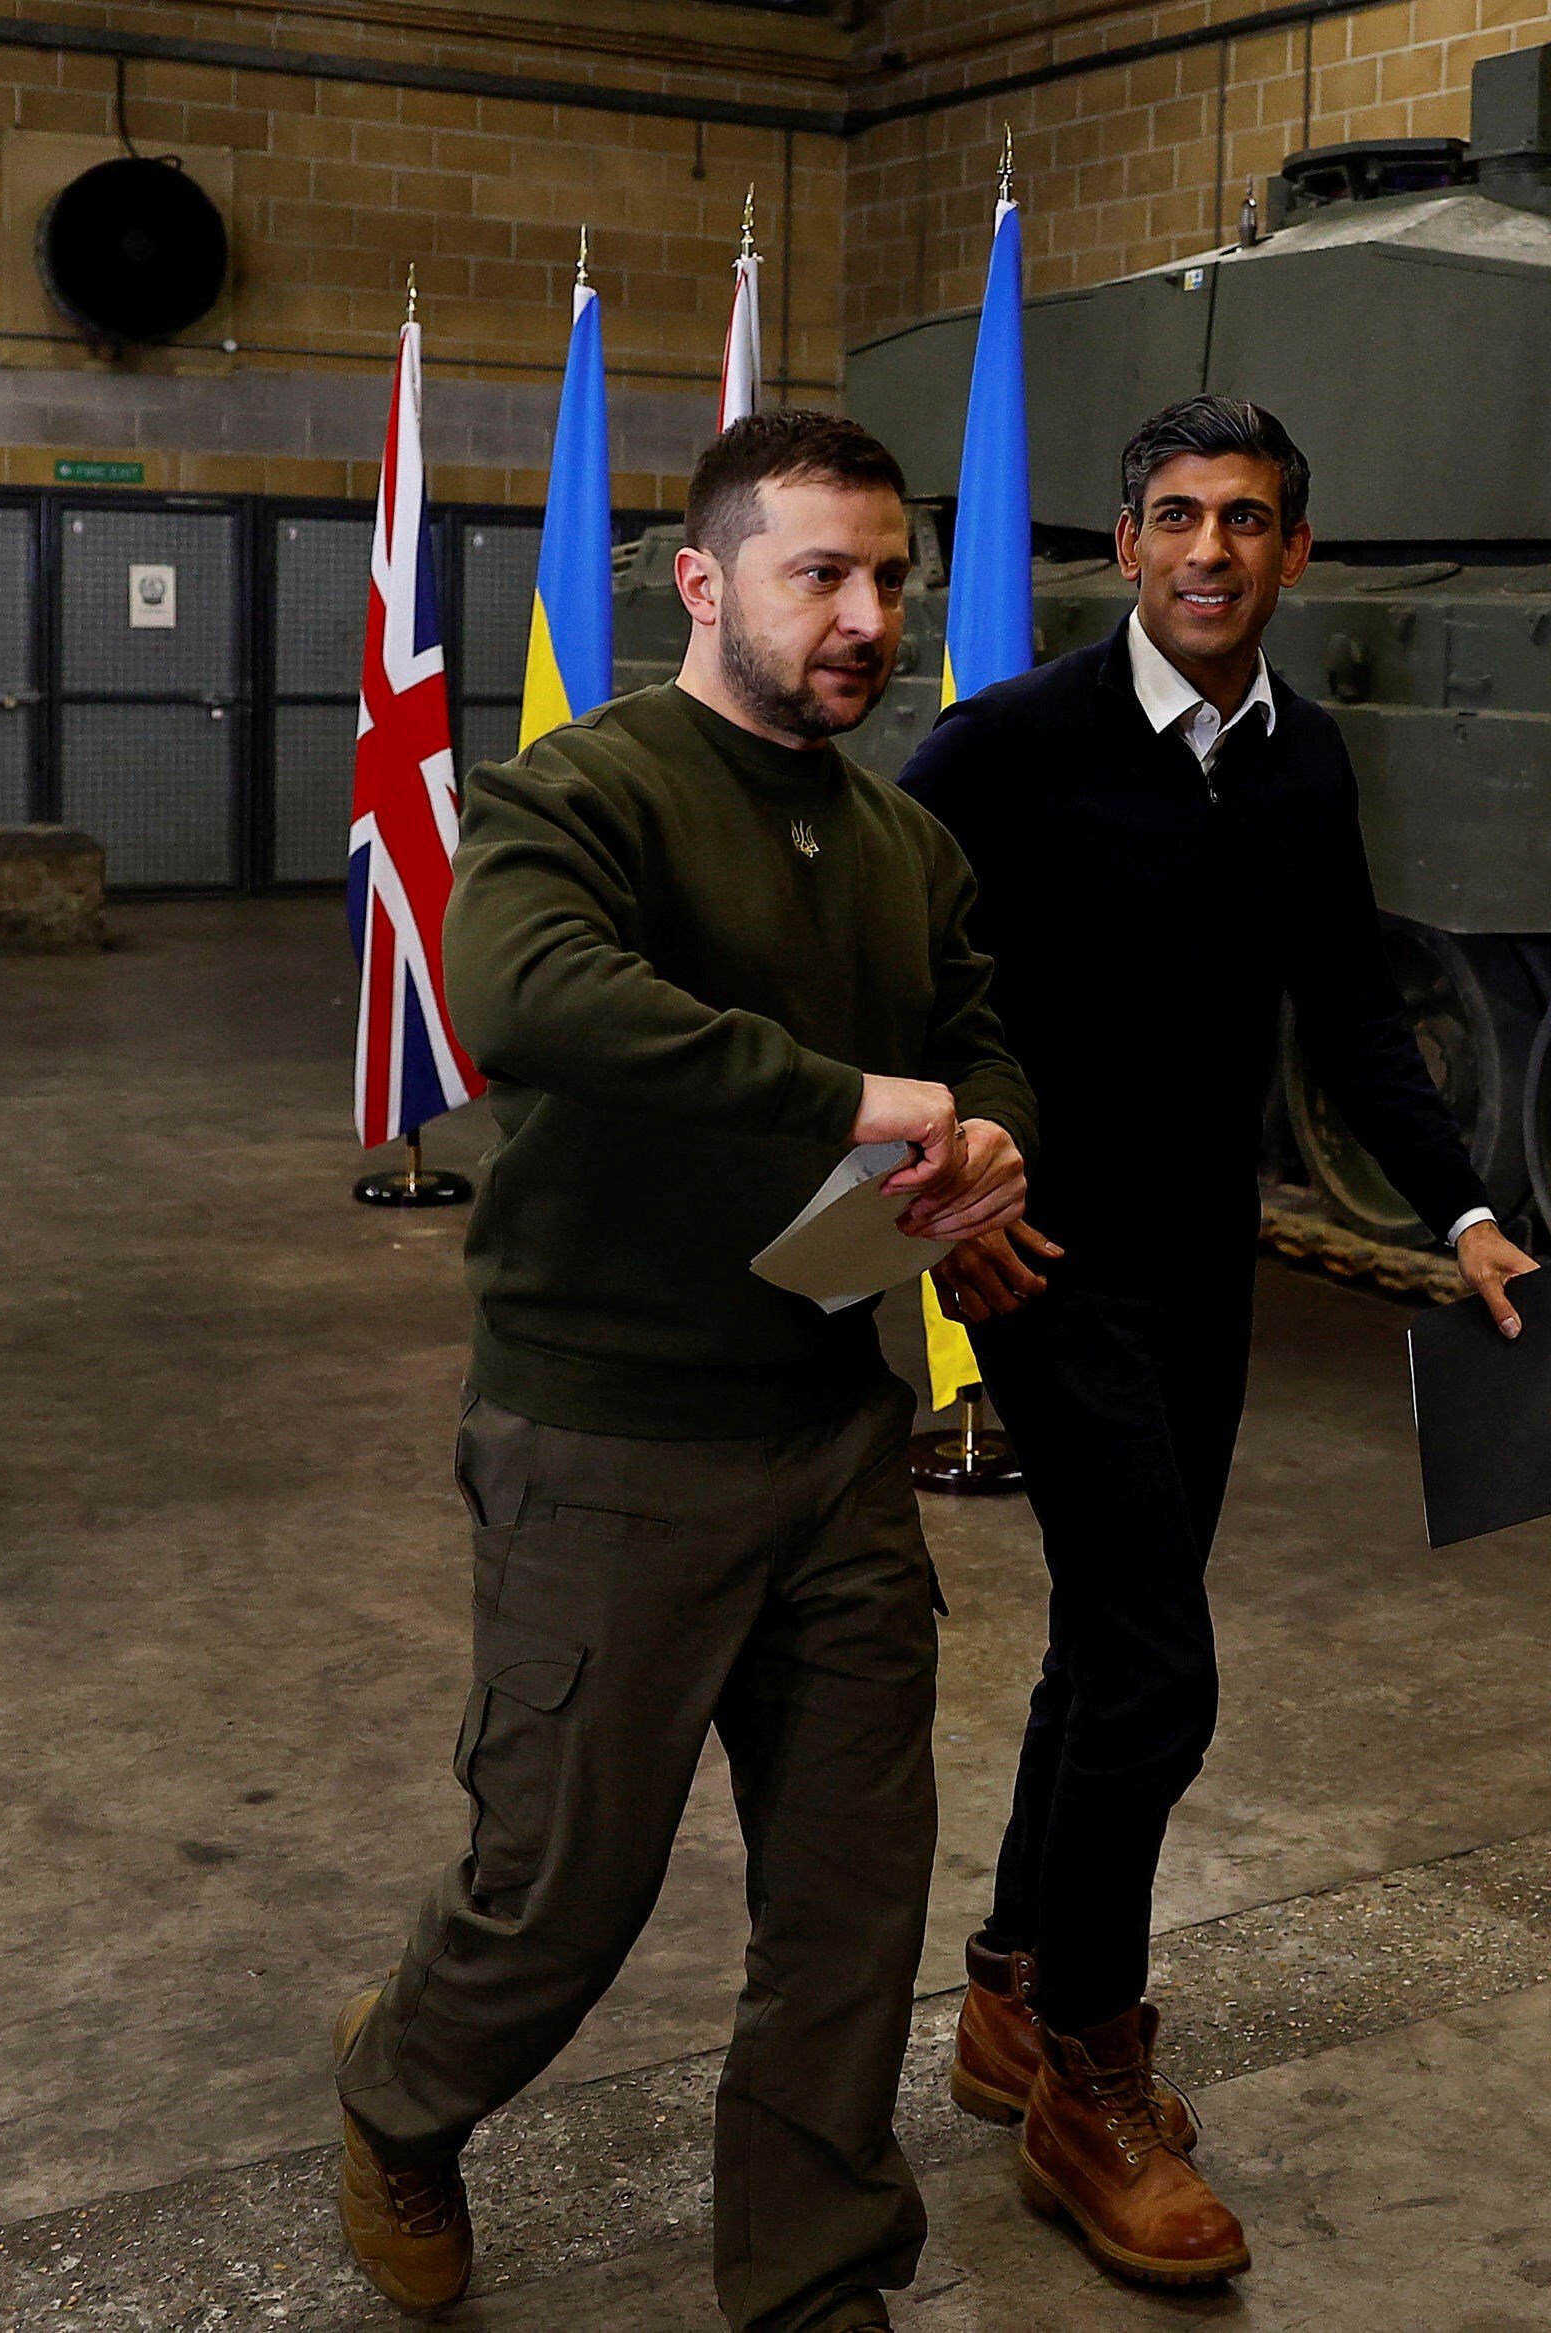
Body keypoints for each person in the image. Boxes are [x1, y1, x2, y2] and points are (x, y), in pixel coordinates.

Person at [329, 408, 1039, 2333]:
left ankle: (816, 2282)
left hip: (831, 1428)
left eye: (891, 576)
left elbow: (983, 1037)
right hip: (610, 1432)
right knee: (560, 1886)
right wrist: (860, 1099)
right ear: (707, 583)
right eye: (822, 573)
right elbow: (524, 995)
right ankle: (401, 2094)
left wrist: (988, 1140)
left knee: (848, 1899)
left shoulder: (901, 839)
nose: (870, 615)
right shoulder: (588, 788)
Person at [899, 394, 1539, 2287]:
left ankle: (1011, 1977)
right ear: (1121, 544)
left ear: (1294, 555)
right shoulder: (1006, 750)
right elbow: (883, 964)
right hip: (1045, 1264)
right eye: (1175, 516)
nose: (1208, 552)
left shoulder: (1304, 763)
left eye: (1246, 521)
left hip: (1206, 1259)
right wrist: (933, 1187)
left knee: (1114, 1630)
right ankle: (1090, 2073)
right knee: (1164, 1669)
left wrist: (1467, 1210)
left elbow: (1348, 1010)